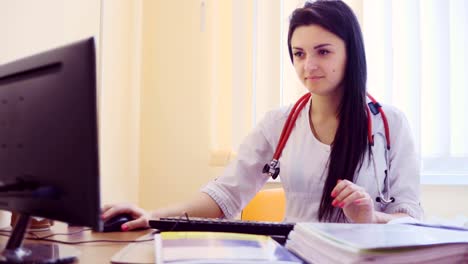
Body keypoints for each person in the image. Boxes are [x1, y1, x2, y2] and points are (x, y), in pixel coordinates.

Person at [101, 0, 423, 231]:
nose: (308, 66)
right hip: (295, 255)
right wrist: (155, 215)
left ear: (351, 53)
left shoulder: (390, 125)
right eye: (299, 53)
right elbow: (226, 194)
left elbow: (411, 218)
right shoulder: (278, 123)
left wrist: (372, 216)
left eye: (323, 51)